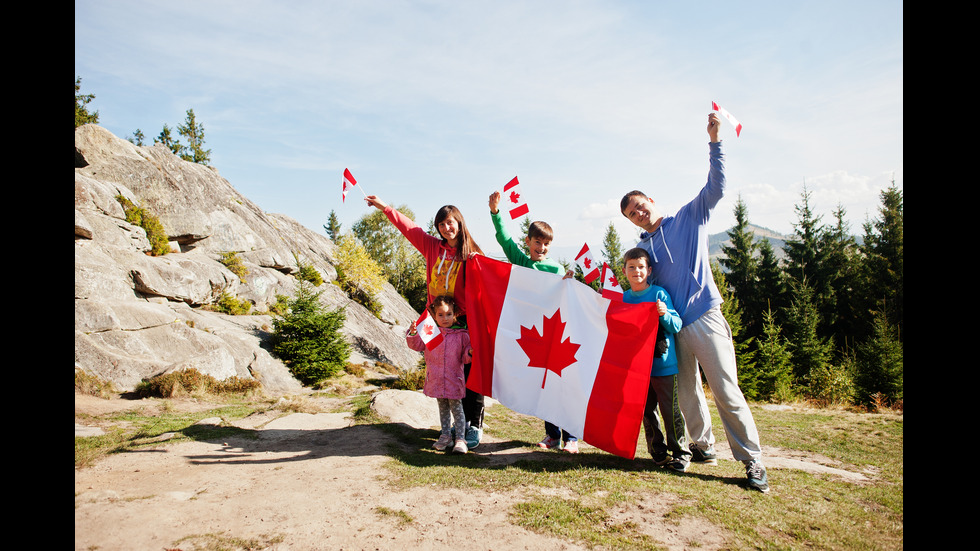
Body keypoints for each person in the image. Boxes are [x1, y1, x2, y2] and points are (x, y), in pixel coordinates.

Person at [619, 112, 769, 493]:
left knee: (725, 389)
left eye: (639, 205)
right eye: (631, 213)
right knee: (687, 393)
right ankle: (703, 447)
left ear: (651, 200)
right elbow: (634, 288)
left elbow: (715, 187)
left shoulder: (689, 216)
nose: (638, 212)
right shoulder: (644, 251)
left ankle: (752, 461)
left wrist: (715, 142)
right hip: (672, 327)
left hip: (705, 316)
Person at [365, 195, 487, 449]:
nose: (446, 228)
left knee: (468, 372)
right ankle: (450, 429)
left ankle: (472, 426)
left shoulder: (473, 254)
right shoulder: (433, 247)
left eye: (450, 223)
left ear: (459, 223)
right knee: (440, 370)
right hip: (434, 319)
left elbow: (491, 283)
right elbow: (409, 228)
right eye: (441, 225)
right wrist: (385, 208)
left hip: (463, 321)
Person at [488, 191, 579, 454]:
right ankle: (552, 435)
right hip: (535, 335)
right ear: (528, 242)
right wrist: (496, 213)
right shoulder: (522, 262)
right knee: (545, 386)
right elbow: (504, 240)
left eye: (546, 244)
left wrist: (570, 282)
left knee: (562, 385)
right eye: (537, 242)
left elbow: (569, 298)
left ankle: (571, 437)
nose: (541, 248)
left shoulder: (556, 269)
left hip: (557, 333)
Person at [621, 248, 691, 472]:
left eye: (641, 267)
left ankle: (681, 453)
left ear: (649, 270)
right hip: (637, 368)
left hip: (663, 365)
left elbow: (676, 325)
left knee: (670, 411)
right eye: (631, 267)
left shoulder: (659, 294)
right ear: (624, 271)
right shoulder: (624, 298)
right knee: (647, 410)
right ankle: (657, 450)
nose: (636, 271)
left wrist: (664, 314)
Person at [406, 296, 471, 454]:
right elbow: (417, 345)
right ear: (434, 316)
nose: (445, 318)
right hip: (436, 379)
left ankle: (461, 439)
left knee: (457, 408)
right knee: (442, 408)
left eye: (448, 314)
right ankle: (445, 436)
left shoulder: (461, 334)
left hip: (454, 379)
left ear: (454, 314)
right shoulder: (431, 332)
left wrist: (469, 352)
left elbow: (465, 358)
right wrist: (413, 333)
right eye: (440, 315)